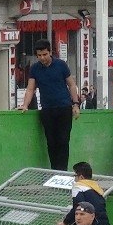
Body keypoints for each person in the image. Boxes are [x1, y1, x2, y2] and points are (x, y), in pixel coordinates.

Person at [18, 39, 81, 171]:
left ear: (50, 52)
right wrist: (25, 105)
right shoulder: (35, 68)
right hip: (47, 110)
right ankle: (55, 172)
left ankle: (62, 172)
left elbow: (71, 84)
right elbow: (30, 89)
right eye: (39, 55)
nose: (42, 58)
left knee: (63, 141)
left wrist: (75, 104)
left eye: (45, 54)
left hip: (64, 108)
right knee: (51, 143)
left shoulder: (61, 65)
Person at [59, 161, 110, 225]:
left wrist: (65, 222)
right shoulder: (97, 188)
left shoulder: (79, 186)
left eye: (75, 176)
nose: (74, 179)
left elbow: (79, 207)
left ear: (81, 177)